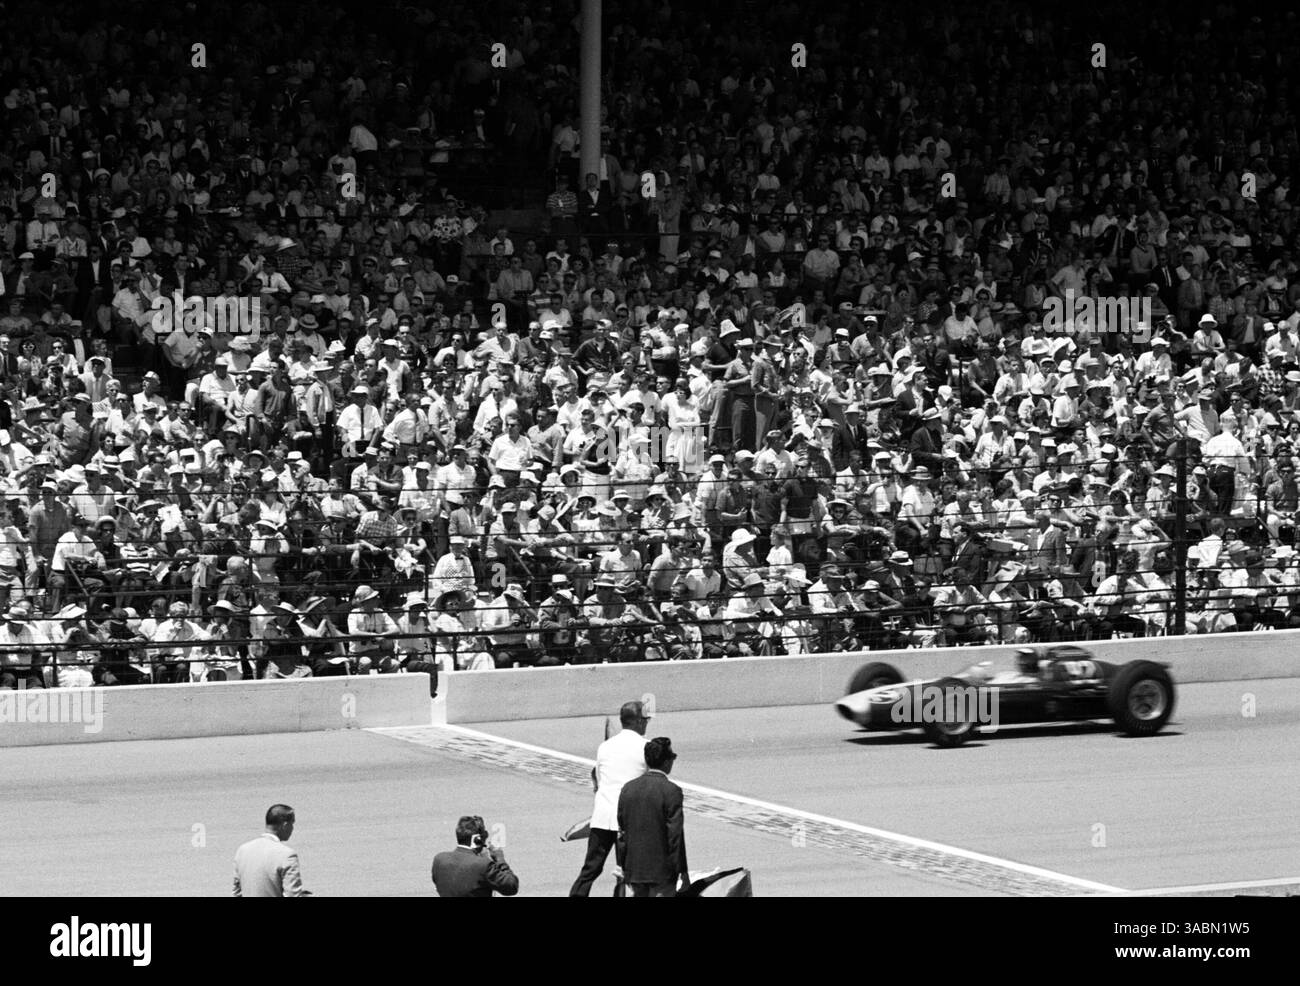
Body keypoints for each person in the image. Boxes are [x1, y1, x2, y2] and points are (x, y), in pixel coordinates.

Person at [569, 699, 651, 897]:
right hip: (629, 820)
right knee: (626, 872)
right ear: (639, 722)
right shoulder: (646, 747)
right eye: (645, 720)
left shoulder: (604, 747)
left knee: (590, 869)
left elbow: (598, 779)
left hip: (603, 817)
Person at [616, 736, 689, 898]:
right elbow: (675, 836)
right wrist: (682, 870)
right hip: (662, 871)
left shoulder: (628, 789)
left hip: (634, 869)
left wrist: (622, 864)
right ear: (666, 762)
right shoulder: (671, 791)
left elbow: (622, 832)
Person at [233, 804, 311, 897]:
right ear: (285, 825)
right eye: (292, 824)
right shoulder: (287, 855)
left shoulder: (242, 850)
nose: (292, 828)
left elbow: (237, 893)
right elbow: (293, 895)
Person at [431, 815, 520, 897]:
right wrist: (500, 859)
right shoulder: (483, 865)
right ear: (477, 839)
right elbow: (511, 887)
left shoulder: (439, 860)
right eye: (484, 835)